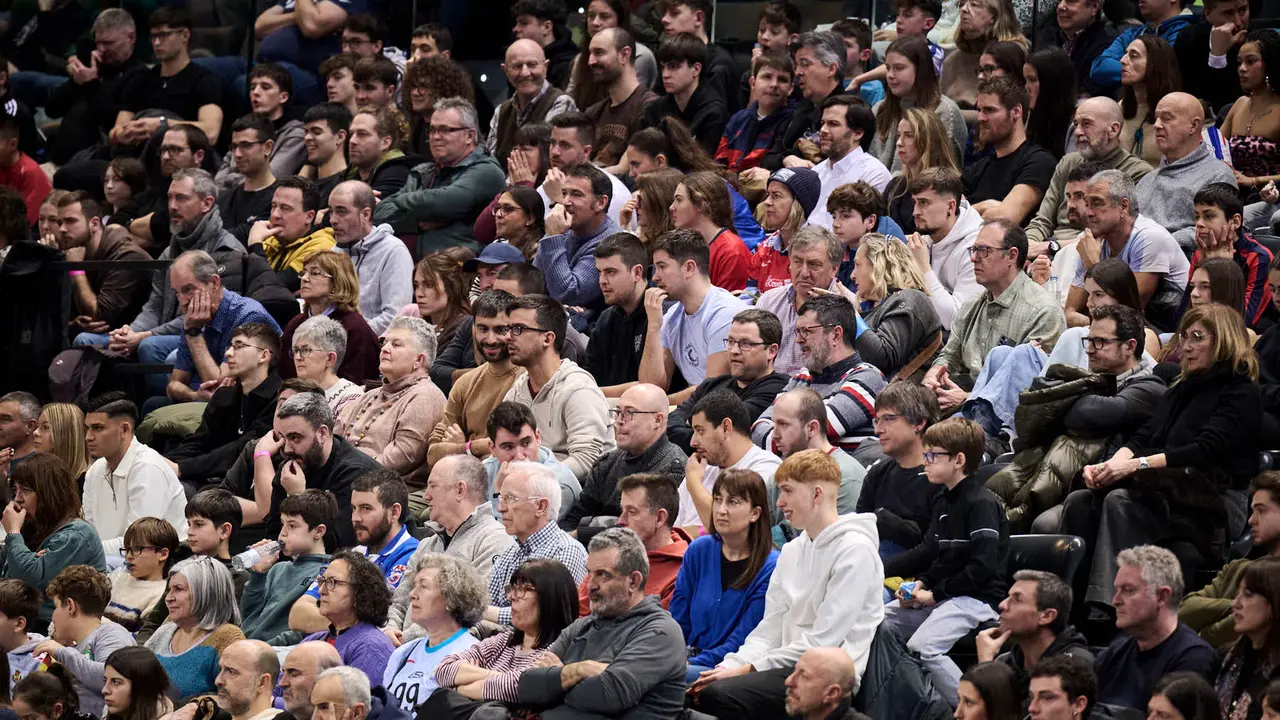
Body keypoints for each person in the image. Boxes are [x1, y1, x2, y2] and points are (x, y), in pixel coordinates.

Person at [691, 450, 884, 718]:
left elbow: (823, 642)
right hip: (781, 666)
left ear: (817, 494)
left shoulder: (855, 550)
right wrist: (731, 665)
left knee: (719, 695)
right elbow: (769, 628)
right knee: (697, 688)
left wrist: (748, 670)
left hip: (826, 677)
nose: (779, 502)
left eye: (787, 491)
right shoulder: (792, 550)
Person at [881, 418, 1008, 706]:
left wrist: (934, 594)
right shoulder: (943, 501)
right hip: (947, 595)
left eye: (931, 455)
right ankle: (914, 703)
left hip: (977, 598)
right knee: (879, 623)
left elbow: (982, 567)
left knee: (924, 647)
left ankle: (973, 708)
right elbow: (939, 557)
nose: (924, 462)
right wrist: (920, 584)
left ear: (958, 460)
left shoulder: (981, 504)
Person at [511, 527, 686, 716]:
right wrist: (578, 670)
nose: (590, 585)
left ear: (633, 581)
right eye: (590, 573)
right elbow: (527, 686)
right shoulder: (581, 626)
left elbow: (608, 694)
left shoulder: (660, 632)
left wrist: (555, 681)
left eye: (602, 574)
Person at [924, 220, 1064, 405]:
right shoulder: (971, 305)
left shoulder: (1043, 312)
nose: (974, 258)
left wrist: (968, 398)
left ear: (1012, 256)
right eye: (973, 250)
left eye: (984, 250)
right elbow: (950, 356)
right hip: (964, 397)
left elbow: (1031, 391)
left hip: (1004, 419)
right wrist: (934, 375)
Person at [383, 455, 515, 643]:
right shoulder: (427, 544)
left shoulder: (494, 541)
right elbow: (400, 600)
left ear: (460, 490)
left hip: (451, 655)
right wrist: (390, 629)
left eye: (433, 486)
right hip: (404, 647)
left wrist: (405, 638)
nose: (426, 495)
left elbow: (474, 614)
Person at [230, 391, 378, 549]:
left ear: (322, 433)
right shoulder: (292, 465)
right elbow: (274, 532)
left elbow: (338, 546)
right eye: (284, 438)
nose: (287, 449)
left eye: (295, 438)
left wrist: (298, 497)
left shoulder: (356, 473)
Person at [671, 468, 778, 681]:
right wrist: (671, 656)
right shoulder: (699, 550)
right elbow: (677, 618)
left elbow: (743, 639)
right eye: (718, 500)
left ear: (755, 513)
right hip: (683, 658)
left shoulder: (772, 566)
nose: (721, 510)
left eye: (733, 502)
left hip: (728, 666)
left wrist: (687, 664)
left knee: (657, 679)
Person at [426, 558, 575, 708]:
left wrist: (460, 686)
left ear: (550, 597)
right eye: (512, 588)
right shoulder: (504, 640)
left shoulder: (556, 651)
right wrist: (498, 678)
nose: (511, 597)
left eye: (523, 589)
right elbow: (444, 669)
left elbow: (520, 687)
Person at [752, 294, 887, 456]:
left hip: (841, 478)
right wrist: (792, 436)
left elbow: (823, 427)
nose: (798, 340)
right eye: (797, 332)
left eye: (805, 332)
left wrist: (781, 440)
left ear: (836, 334)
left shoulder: (868, 377)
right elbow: (758, 429)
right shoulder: (800, 379)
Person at [289, 469, 418, 635]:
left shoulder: (412, 555)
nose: (355, 518)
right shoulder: (351, 555)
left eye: (366, 509)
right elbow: (298, 614)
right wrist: (345, 621)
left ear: (394, 512)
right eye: (354, 508)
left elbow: (379, 620)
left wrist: (331, 618)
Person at [373, 98, 506, 256]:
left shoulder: (486, 171)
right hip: (416, 267)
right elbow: (380, 214)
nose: (435, 137)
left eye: (445, 130)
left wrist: (399, 201)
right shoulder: (421, 171)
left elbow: (446, 202)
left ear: (470, 136)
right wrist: (417, 222)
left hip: (459, 269)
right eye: (432, 130)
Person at [503, 293, 615, 479]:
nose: (508, 337)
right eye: (509, 328)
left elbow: (587, 459)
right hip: (532, 485)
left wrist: (533, 480)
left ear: (548, 339)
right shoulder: (519, 389)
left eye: (518, 329)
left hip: (577, 492)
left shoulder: (578, 388)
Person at [1092, 546, 1217, 712]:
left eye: (1128, 590)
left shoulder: (1194, 658)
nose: (1115, 600)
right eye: (1117, 590)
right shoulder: (1116, 652)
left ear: (1162, 596)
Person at [1025, 97, 1153, 257]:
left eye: (1086, 124)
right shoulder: (1068, 162)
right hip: (1047, 250)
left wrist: (1051, 247)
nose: (1077, 131)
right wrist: (1028, 247)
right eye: (1076, 123)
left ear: (1113, 130)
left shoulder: (1137, 172)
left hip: (1092, 254)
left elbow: (1121, 235)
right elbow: (1042, 220)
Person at [1068, 169, 1190, 332]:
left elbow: (1126, 315)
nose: (1088, 213)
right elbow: (1069, 313)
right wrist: (1092, 324)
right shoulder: (1093, 240)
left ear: (1123, 206)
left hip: (1168, 334)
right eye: (1087, 204)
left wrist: (1093, 266)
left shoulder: (1149, 237)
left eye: (1097, 203)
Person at [164, 324, 282, 490]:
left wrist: (182, 468)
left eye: (239, 346)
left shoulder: (279, 400)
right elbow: (200, 441)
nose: (228, 353)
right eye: (231, 346)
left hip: (251, 485)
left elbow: (241, 450)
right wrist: (161, 462)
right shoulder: (225, 395)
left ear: (263, 356)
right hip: (210, 476)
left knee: (181, 491)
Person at [161, 250, 282, 408]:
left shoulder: (248, 315)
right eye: (177, 293)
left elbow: (219, 388)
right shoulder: (193, 320)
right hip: (220, 404)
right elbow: (174, 384)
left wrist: (194, 333)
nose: (183, 301)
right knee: (153, 404)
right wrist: (194, 396)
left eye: (188, 289)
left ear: (215, 283)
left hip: (255, 405)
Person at [561, 384, 687, 530]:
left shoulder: (673, 470)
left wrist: (583, 531)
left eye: (629, 413)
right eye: (617, 412)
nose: (618, 422)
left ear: (657, 420)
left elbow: (644, 531)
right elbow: (575, 518)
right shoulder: (606, 464)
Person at [1, 455, 107, 628]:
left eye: (26, 490)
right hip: (24, 623)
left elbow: (30, 580)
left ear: (49, 493)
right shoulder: (34, 528)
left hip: (56, 628)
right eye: (15, 491)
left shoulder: (76, 534)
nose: (18, 499)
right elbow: (6, 575)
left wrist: (13, 533)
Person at [667, 308, 789, 456]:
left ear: (771, 351)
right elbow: (671, 424)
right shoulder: (711, 385)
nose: (734, 350)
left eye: (746, 344)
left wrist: (690, 428)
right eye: (731, 342)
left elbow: (730, 432)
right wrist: (703, 434)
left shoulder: (780, 389)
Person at [641, 228, 744, 402]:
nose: (655, 277)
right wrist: (653, 327)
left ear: (689, 267)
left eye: (662, 267)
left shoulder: (724, 313)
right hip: (689, 407)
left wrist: (659, 404)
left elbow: (713, 389)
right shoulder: (671, 316)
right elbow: (652, 386)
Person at [1181, 472, 1280, 649]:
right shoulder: (1238, 568)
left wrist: (1204, 631)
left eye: (1261, 510)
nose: (1251, 520)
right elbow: (1185, 610)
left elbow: (1222, 634)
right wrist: (1235, 606)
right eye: (1252, 511)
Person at [80, 394, 186, 557]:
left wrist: (81, 551)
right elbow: (89, 533)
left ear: (124, 429)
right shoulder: (95, 470)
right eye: (88, 428)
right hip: (109, 561)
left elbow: (138, 543)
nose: (88, 437)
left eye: (98, 428)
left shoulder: (148, 468)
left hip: (160, 564)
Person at [337, 316, 445, 476]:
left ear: (419, 359)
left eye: (396, 344)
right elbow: (334, 439)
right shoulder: (370, 395)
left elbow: (399, 459)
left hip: (386, 490)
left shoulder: (425, 396)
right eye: (385, 343)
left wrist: (341, 474)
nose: (385, 348)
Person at [486, 462, 589, 625]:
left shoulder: (566, 551)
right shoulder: (510, 552)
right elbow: (487, 604)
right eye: (501, 498)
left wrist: (488, 613)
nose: (500, 508)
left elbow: (542, 615)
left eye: (510, 499)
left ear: (541, 506)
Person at [1135, 93, 1238, 253]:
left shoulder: (1218, 175)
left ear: (1193, 125)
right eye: (1156, 118)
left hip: (1185, 265)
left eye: (1167, 118)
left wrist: (1151, 244)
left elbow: (1215, 229)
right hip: (1136, 259)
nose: (1156, 125)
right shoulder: (1146, 180)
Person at [426, 291, 519, 465]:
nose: (490, 340)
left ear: (514, 330)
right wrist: (473, 447)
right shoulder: (466, 383)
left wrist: (461, 447)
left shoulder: (526, 379)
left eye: (500, 330)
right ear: (473, 329)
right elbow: (433, 454)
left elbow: (515, 449)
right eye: (483, 329)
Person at [573, 472, 689, 613]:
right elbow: (578, 613)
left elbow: (659, 631)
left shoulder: (684, 571)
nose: (620, 520)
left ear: (660, 518)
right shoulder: (609, 554)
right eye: (622, 510)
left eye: (632, 512)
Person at [42, 9, 144, 168]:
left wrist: (91, 84)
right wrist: (76, 83)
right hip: (57, 160)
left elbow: (110, 121)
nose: (101, 49)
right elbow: (52, 109)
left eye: (109, 43)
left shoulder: (139, 75)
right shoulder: (92, 67)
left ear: (131, 37)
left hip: (95, 163)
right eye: (98, 43)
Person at [109, 8, 222, 149]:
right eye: (153, 36)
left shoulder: (205, 81)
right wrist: (121, 135)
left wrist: (163, 124)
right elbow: (115, 130)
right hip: (138, 156)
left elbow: (211, 133)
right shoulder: (141, 80)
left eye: (163, 35)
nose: (156, 43)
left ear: (185, 35)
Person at [382, 555, 484, 711]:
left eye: (423, 586)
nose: (412, 594)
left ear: (451, 598)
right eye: (414, 585)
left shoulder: (472, 655)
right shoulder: (403, 653)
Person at [857, 382, 942, 562]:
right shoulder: (877, 474)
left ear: (918, 422)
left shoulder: (943, 479)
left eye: (888, 418)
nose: (878, 429)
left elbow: (936, 551)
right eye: (877, 420)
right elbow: (859, 535)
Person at [975, 570, 1094, 699]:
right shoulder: (1004, 663)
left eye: (1016, 599)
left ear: (1047, 616)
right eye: (1007, 597)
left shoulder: (1075, 665)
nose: (1002, 605)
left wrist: (985, 665)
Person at [757, 226, 857, 376]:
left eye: (814, 265)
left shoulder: (849, 307)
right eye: (797, 262)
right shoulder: (769, 301)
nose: (804, 273)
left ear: (834, 269)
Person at [35, 566, 133, 717]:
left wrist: (62, 653)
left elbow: (114, 680)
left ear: (70, 606)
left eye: (55, 607)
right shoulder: (73, 647)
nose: (53, 617)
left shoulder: (112, 633)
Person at [239, 489, 336, 642]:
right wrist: (258, 574)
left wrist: (262, 650)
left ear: (318, 531)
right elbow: (248, 618)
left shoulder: (328, 573)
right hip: (246, 647)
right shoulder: (277, 569)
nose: (282, 533)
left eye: (292, 526)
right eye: (282, 524)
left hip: (277, 653)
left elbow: (303, 631)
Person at [679, 391, 781, 534]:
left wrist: (694, 484)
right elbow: (672, 533)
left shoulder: (765, 468)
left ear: (726, 427)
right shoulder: (700, 469)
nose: (693, 442)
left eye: (700, 431)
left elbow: (734, 529)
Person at [143, 556, 245, 699]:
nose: (168, 598)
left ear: (205, 593)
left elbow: (234, 699)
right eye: (169, 590)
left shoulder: (227, 637)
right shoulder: (165, 630)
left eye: (178, 589)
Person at [49, 192, 151, 334]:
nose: (62, 229)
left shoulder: (127, 256)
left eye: (70, 221)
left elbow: (98, 318)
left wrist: (76, 270)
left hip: (129, 338)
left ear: (94, 224)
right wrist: (73, 324)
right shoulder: (74, 252)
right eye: (60, 223)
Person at [964, 78, 1056, 226]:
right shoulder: (977, 169)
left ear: (1016, 112)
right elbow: (948, 218)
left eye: (990, 110)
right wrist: (984, 206)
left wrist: (968, 211)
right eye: (979, 110)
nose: (980, 117)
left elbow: (1006, 217)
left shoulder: (1038, 162)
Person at [868, 35, 967, 172]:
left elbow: (942, 170)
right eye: (888, 68)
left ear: (920, 69)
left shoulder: (944, 110)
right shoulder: (880, 108)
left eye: (899, 68)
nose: (890, 75)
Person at [851, 233, 943, 380]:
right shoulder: (883, 304)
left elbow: (881, 358)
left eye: (857, 265)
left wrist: (848, 313)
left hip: (908, 398)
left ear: (878, 264)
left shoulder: (911, 300)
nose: (852, 275)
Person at [279, 252, 380, 385]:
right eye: (303, 273)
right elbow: (285, 375)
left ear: (336, 283)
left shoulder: (355, 328)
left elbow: (357, 382)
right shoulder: (295, 324)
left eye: (315, 273)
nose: (304, 278)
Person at [754, 31, 846, 173]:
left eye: (805, 64)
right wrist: (786, 158)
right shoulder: (800, 109)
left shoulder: (851, 113)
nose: (797, 72)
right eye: (797, 65)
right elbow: (769, 158)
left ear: (831, 69)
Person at [329, 181, 413, 336]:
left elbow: (395, 317)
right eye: (331, 211)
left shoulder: (393, 251)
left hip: (372, 348)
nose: (333, 220)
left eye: (341, 212)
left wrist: (346, 336)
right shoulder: (335, 252)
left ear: (365, 214)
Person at [905, 167, 983, 331]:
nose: (915, 212)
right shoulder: (922, 241)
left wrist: (924, 268)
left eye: (924, 203)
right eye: (915, 202)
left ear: (950, 206)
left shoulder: (977, 249)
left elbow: (956, 321)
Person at [1187, 183, 1273, 330]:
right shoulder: (1200, 253)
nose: (1199, 224)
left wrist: (1222, 270)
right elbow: (1183, 314)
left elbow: (1243, 322)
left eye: (1209, 216)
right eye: (1197, 217)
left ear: (1235, 221)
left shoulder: (1259, 258)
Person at [533, 163, 619, 309]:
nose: (565, 201)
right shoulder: (565, 228)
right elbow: (535, 280)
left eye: (576, 194)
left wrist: (553, 237)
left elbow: (568, 294)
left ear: (600, 203)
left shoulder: (612, 243)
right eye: (564, 193)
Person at [299, 551, 395, 681]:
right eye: (323, 581)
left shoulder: (370, 647)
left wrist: (275, 702)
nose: (321, 590)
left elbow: (350, 700)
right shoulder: (313, 640)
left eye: (333, 582)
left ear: (360, 592)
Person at [487, 40, 577, 170]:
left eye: (532, 65)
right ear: (505, 70)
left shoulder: (561, 102)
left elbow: (546, 159)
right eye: (517, 66)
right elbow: (491, 163)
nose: (525, 73)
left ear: (545, 67)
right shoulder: (501, 111)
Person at [806, 96, 892, 230]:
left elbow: (859, 234)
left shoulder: (874, 174)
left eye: (833, 124)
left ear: (857, 133)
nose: (823, 130)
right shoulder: (816, 172)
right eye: (823, 123)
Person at [578, 25, 658, 165]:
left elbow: (627, 170)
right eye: (590, 54)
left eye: (599, 53)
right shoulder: (593, 112)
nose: (590, 61)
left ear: (624, 55)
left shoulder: (649, 106)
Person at [537, 113, 632, 229]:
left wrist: (559, 199)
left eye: (565, 145)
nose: (554, 152)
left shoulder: (613, 193)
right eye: (552, 143)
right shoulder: (548, 185)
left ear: (586, 151)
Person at [1212, 556, 1280, 718]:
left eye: (1247, 594)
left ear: (1275, 602)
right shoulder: (1227, 657)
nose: (1235, 604)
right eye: (1237, 594)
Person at [642, 33, 728, 154]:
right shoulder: (654, 110)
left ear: (696, 69)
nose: (665, 74)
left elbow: (706, 166)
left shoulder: (713, 114)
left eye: (673, 66)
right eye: (663, 67)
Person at [585, 233, 649, 395]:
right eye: (599, 272)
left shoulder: (662, 315)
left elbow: (651, 385)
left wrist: (592, 393)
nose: (602, 281)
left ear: (637, 273)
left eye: (611, 272)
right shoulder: (605, 320)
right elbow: (589, 376)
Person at [940, 0, 1025, 117]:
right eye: (961, 4)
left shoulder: (1013, 55)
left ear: (994, 16)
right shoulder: (952, 61)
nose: (964, 9)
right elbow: (939, 110)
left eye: (974, 5)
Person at [670, 171, 751, 292]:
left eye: (679, 200)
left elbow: (727, 305)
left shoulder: (731, 251)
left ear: (700, 204)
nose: (671, 207)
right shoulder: (683, 243)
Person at [1089, 0, 1193, 92]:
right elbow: (1099, 67)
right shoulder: (1133, 33)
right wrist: (1140, 71)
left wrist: (1130, 73)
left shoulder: (1186, 34)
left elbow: (1162, 73)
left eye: (1133, 56)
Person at [717, 53, 795, 175]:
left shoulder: (794, 122)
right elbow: (719, 164)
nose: (774, 84)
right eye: (767, 77)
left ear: (791, 89)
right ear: (753, 83)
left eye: (782, 80)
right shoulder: (738, 119)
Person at [749, 167, 821, 294]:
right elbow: (748, 294)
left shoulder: (818, 251)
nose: (767, 202)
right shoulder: (765, 247)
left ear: (797, 204)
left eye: (776, 196)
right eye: (768, 195)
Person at [1175, 0, 1250, 116]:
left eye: (1242, 10)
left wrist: (1218, 57)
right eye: (1228, 13)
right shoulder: (1189, 39)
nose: (1239, 22)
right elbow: (1185, 94)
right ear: (1208, 14)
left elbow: (1230, 106)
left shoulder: (1259, 41)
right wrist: (1217, 53)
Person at [106, 518, 177, 632]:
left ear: (162, 554)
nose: (129, 556)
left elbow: (140, 640)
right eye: (127, 549)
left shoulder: (159, 596)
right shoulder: (116, 579)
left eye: (137, 549)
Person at [338, 106, 418, 201]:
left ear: (385, 142)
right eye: (351, 134)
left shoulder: (397, 174)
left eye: (362, 134)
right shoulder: (349, 174)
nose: (352, 141)